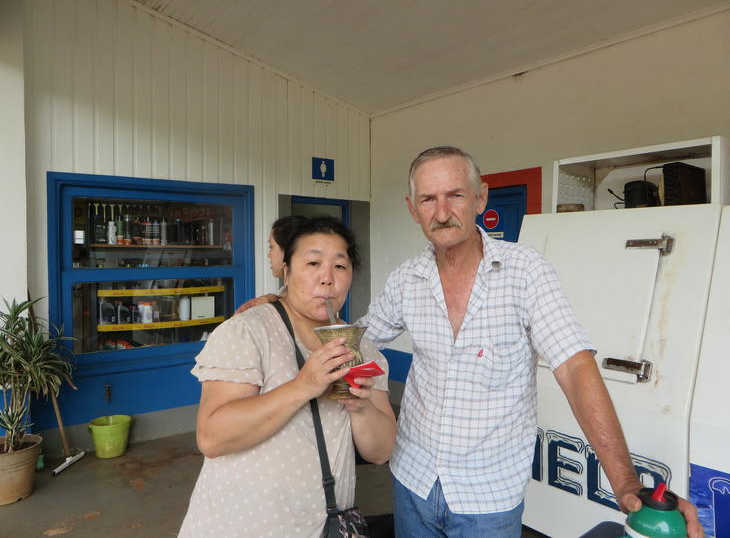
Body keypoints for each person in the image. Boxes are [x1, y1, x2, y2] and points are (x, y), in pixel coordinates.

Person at [357, 146, 703, 537]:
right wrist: (300, 307)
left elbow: (574, 367)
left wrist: (624, 481)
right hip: (412, 480)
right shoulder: (406, 280)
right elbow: (360, 340)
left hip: (488, 497)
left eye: (455, 195)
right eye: (428, 199)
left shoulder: (525, 272)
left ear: (480, 198)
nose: (441, 212)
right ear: (412, 208)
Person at [179, 216, 397, 538]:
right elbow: (212, 438)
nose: (327, 279)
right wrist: (302, 386)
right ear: (286, 270)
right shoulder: (248, 331)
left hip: (326, 526)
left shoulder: (361, 347)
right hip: (244, 525)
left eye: (340, 266)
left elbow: (381, 451)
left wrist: (361, 407)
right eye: (312, 263)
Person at [235, 214, 307, 314]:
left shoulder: (312, 300)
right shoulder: (285, 293)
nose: (269, 255)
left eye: (271, 246)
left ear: (288, 250)